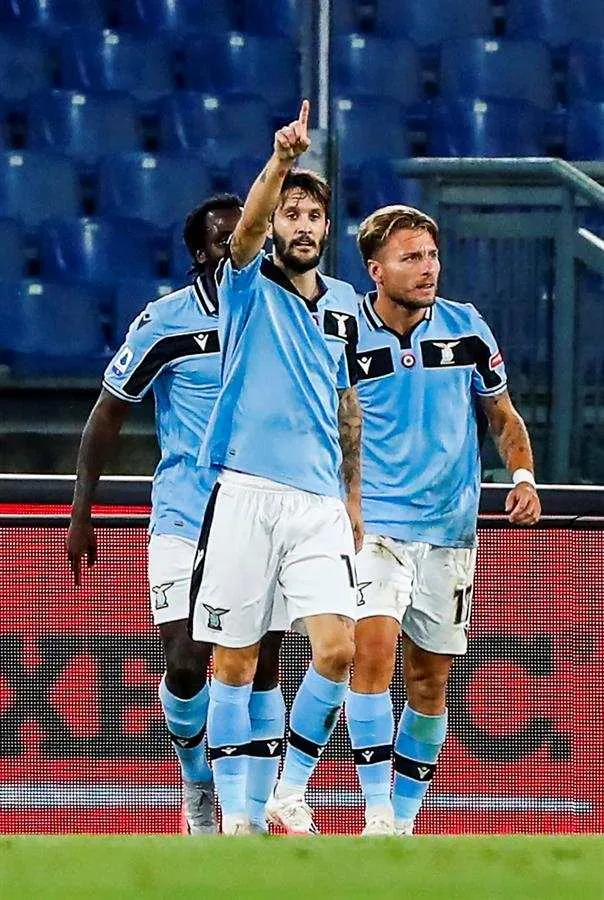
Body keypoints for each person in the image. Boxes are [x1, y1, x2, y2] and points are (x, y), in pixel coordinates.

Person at [66, 195, 286, 835]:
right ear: (200, 252)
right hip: (186, 511)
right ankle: (195, 778)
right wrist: (83, 511)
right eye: (226, 239)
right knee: (187, 663)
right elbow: (109, 411)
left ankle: (249, 814)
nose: (241, 247)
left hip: (264, 508)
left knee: (261, 662)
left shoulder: (280, 315)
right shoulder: (166, 323)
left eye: (250, 235)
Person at [189, 100, 363, 835]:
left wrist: (354, 499)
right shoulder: (248, 283)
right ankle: (236, 817)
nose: (299, 225)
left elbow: (348, 407)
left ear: (326, 230)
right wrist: (281, 161)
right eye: (290, 213)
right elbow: (251, 221)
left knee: (338, 648)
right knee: (232, 665)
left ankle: (288, 791)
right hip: (247, 492)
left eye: (311, 217)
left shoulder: (349, 305)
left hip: (319, 501)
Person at [346, 205, 542, 836]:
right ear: (376, 270)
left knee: (429, 681)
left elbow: (503, 417)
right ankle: (376, 811)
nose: (427, 269)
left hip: (449, 530)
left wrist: (522, 476)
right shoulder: (345, 336)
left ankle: (402, 825)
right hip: (373, 524)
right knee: (369, 654)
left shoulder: (467, 329)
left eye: (431, 256)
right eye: (411, 257)